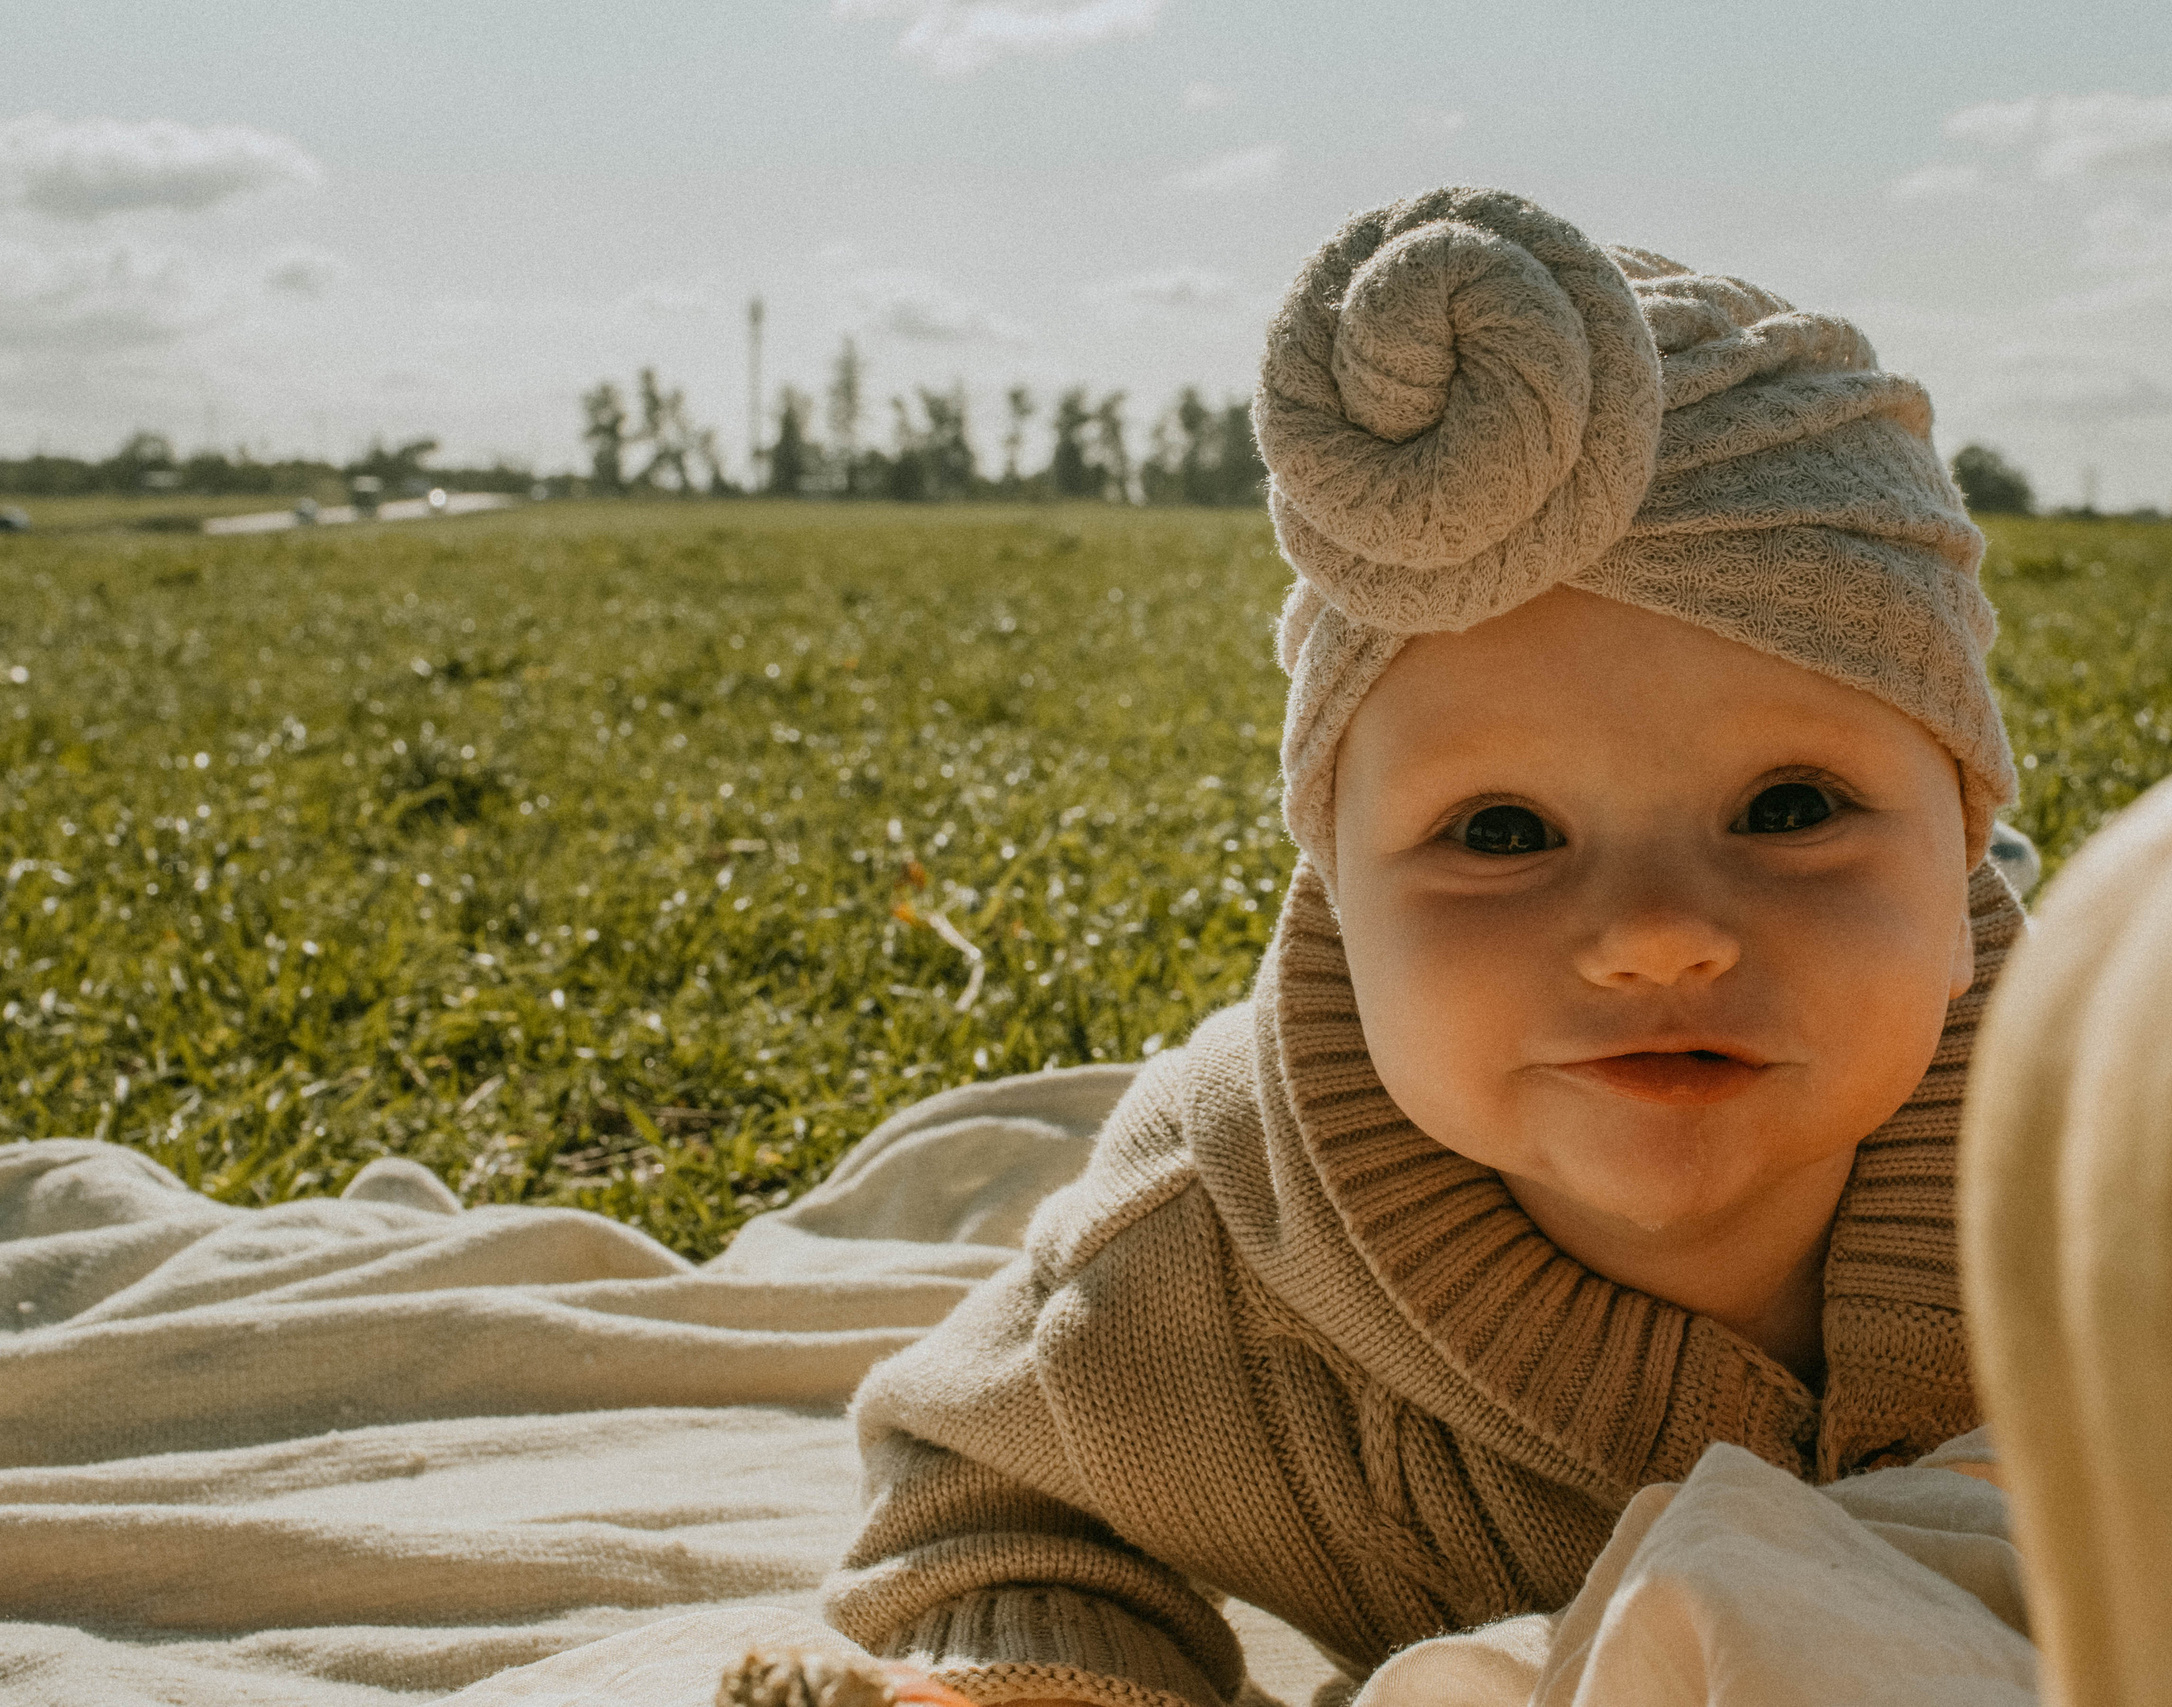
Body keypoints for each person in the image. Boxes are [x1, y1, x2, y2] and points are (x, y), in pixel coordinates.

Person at [822, 185, 2027, 1707]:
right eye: (1503, 833)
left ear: (1958, 863)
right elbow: (981, 1511)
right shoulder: (1200, 1261)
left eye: (1791, 809)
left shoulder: (2130, 1161)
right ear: (1338, 889)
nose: (1658, 936)